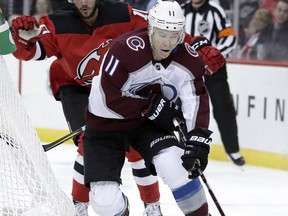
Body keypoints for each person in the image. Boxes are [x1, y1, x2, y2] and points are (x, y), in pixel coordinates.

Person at [10, 0, 163, 215]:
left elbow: (163, 28)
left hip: (117, 86)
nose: (84, 2)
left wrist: (196, 47)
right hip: (76, 88)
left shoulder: (122, 13)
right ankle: (79, 207)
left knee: (135, 144)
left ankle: (152, 205)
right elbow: (29, 52)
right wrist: (21, 39)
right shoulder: (56, 23)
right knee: (87, 142)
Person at [83, 0, 224, 215]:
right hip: (105, 125)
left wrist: (198, 139)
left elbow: (195, 100)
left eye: (173, 35)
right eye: (161, 34)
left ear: (181, 34)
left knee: (176, 165)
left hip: (145, 125)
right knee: (104, 202)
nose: (167, 42)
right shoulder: (123, 49)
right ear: (150, 30)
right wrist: (151, 106)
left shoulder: (189, 60)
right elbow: (109, 98)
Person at [182, 0, 246, 166]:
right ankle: (182, 147)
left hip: (214, 69)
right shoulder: (180, 11)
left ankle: (233, 149)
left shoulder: (215, 11)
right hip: (187, 70)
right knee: (182, 107)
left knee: (224, 107)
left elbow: (229, 38)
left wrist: (214, 56)